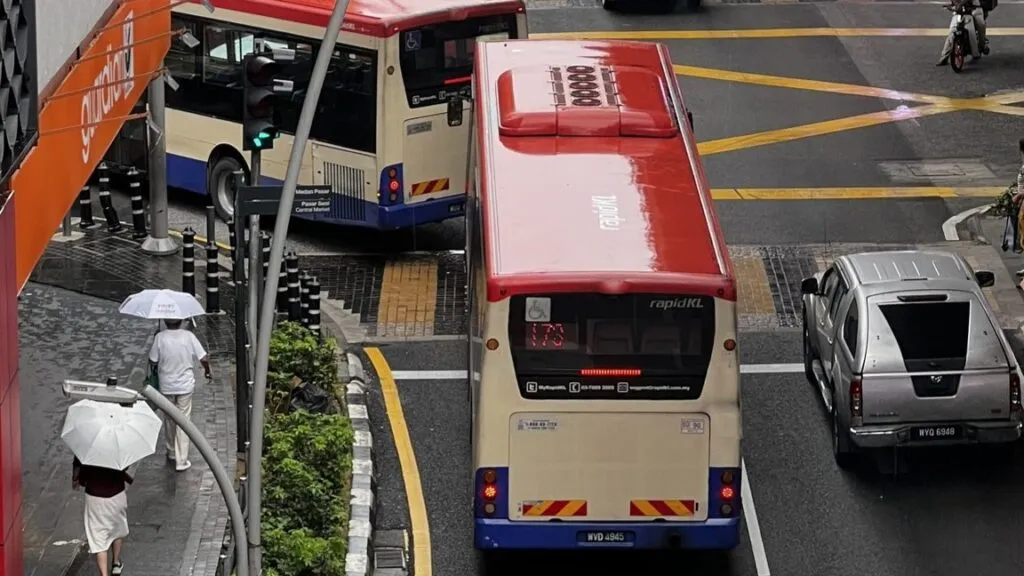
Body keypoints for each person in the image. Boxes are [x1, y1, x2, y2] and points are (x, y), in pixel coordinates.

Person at [148, 318, 211, 471]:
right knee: (183, 421)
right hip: (185, 385)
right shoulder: (188, 336)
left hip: (166, 385)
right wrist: (207, 371)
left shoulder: (160, 337)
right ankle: (181, 459)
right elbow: (203, 357)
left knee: (169, 418)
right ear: (182, 321)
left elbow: (153, 360)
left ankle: (171, 451)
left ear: (165, 321)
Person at [73, 456, 133, 576]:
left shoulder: (88, 449)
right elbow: (125, 466)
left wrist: (75, 480)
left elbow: (80, 472)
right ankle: (116, 563)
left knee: (99, 537)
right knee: (118, 529)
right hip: (117, 494)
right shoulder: (118, 448)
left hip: (94, 497)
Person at [936, 0, 993, 66]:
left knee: (981, 24)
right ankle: (944, 57)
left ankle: (982, 45)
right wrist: (954, 4)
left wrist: (961, 4)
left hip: (974, 6)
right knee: (952, 30)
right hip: (959, 7)